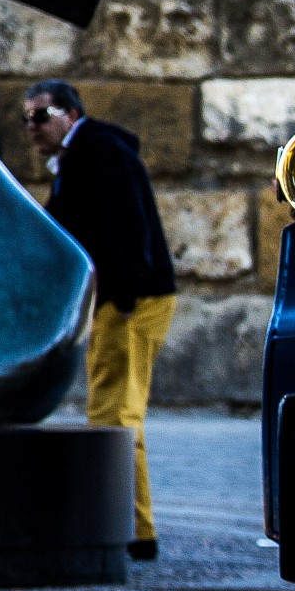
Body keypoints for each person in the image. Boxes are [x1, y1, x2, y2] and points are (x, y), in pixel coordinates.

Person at [25, 79, 177, 561]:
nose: (32, 127)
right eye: (26, 118)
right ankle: (130, 526)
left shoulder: (98, 151)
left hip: (128, 299)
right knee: (112, 413)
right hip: (124, 296)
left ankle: (134, 530)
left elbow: (127, 222)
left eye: (41, 115)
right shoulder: (85, 153)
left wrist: (126, 290)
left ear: (70, 113)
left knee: (115, 416)